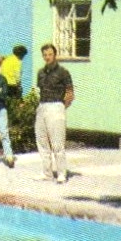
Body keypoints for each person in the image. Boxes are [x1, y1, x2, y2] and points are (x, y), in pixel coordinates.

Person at [35, 43, 75, 184]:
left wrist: (62, 107)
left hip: (56, 106)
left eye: (50, 54)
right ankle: (47, 173)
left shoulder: (63, 72)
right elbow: (40, 90)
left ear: (55, 55)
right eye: (45, 55)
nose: (47, 57)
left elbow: (70, 92)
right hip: (42, 106)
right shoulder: (40, 72)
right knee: (42, 141)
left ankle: (61, 174)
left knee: (57, 143)